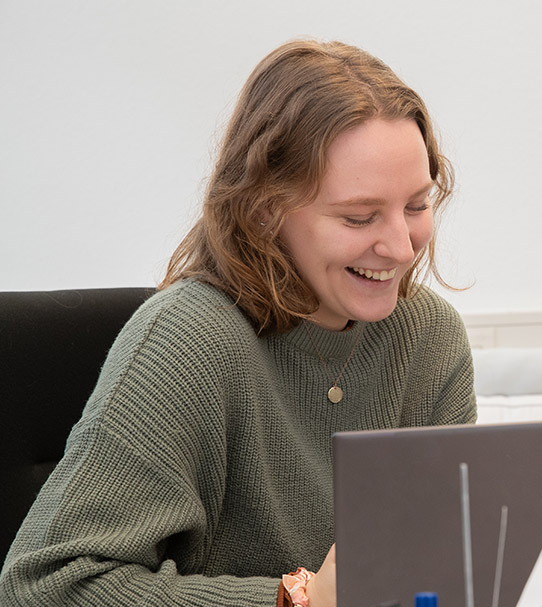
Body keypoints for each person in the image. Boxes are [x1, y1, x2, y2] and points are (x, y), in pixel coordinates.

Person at [0, 40, 475, 607]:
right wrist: (296, 600)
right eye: (358, 217)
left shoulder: (430, 337)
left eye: (417, 205)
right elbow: (44, 587)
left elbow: (445, 565)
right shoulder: (188, 341)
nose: (400, 247)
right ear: (266, 208)